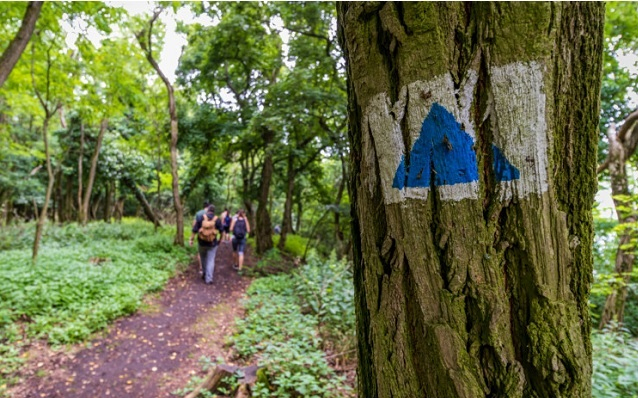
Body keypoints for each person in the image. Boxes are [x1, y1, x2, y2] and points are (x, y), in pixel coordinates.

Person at [189, 204, 223, 284]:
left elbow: (195, 229)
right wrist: (220, 240)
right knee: (210, 260)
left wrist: (191, 239)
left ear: (207, 210)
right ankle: (209, 279)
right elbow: (222, 231)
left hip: (201, 242)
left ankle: (204, 273)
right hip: (212, 243)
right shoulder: (217, 219)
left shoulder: (201, 217)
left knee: (203, 258)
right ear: (214, 211)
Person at [192, 201, 210, 270]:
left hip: (200, 234)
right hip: (209, 235)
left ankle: (201, 267)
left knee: (200, 251)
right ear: (209, 207)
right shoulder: (211, 213)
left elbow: (194, 224)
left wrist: (194, 233)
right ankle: (208, 266)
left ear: (203, 206)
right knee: (208, 250)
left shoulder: (198, 213)